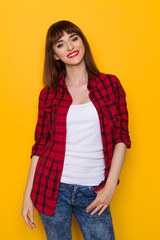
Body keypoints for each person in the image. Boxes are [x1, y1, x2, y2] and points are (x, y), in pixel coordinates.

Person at [21, 20, 131, 240]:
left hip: (93, 189)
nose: (70, 47)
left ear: (82, 43)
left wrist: (109, 187)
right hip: (52, 186)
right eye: (60, 44)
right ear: (54, 55)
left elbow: (121, 136)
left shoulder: (109, 85)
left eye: (73, 38)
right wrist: (27, 196)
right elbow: (40, 145)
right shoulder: (49, 95)